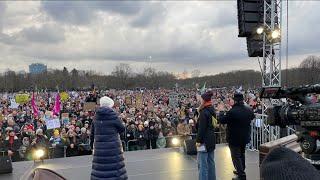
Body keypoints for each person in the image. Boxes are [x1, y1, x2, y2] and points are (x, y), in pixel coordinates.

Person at [218, 93, 255, 180]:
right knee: (242, 154)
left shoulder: (232, 111)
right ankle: (241, 170)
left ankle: (241, 175)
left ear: (235, 100)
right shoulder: (248, 109)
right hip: (245, 137)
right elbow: (252, 117)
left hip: (234, 138)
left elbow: (222, 120)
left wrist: (221, 112)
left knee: (236, 156)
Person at [90, 96, 128, 180]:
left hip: (99, 149)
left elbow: (92, 134)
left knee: (100, 169)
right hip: (113, 148)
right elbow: (122, 129)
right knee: (114, 169)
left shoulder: (95, 117)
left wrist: (91, 145)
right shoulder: (113, 115)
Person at [196, 91, 216, 180]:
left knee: (202, 164)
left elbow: (201, 129)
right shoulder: (212, 110)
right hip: (212, 139)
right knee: (211, 162)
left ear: (204, 100)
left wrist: (198, 141)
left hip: (203, 141)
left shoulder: (204, 113)